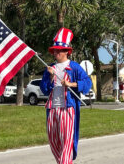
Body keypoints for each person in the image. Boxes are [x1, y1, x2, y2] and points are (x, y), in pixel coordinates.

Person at [40, 27, 92, 164]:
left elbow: (87, 83)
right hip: (52, 110)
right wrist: (50, 77)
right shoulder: (50, 68)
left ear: (66, 52)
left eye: (58, 50)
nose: (55, 52)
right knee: (54, 143)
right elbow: (44, 90)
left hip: (67, 109)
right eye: (54, 50)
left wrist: (71, 84)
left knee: (67, 144)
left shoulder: (74, 67)